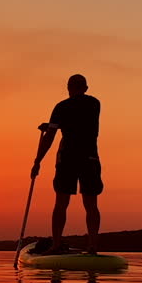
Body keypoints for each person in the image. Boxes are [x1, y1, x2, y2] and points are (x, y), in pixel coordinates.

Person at [31, 74, 102, 254]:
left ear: (68, 88)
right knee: (91, 203)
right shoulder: (94, 104)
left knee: (61, 202)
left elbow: (50, 137)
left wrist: (37, 161)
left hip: (68, 158)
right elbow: (78, 119)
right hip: (89, 158)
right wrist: (54, 124)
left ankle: (56, 245)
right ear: (86, 88)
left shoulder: (61, 107)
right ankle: (92, 245)